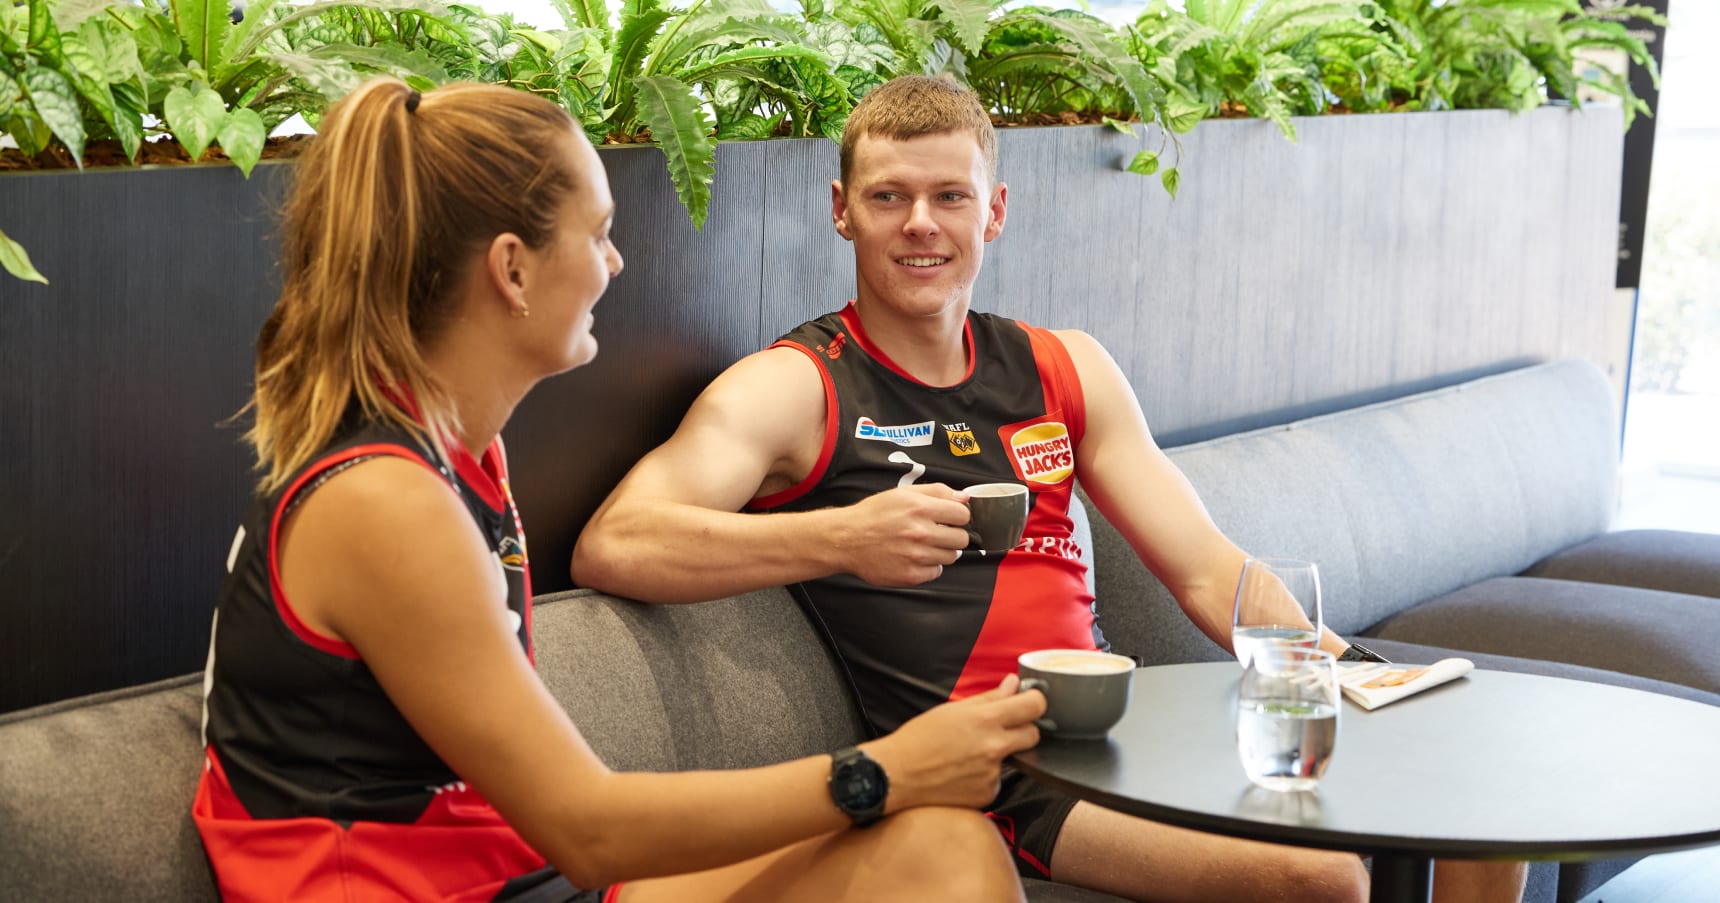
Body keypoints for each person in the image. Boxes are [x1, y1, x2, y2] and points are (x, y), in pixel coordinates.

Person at [571, 75, 1527, 903]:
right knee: (1322, 877)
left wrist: (1354, 669)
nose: (919, 224)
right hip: (997, 770)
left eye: (950, 196)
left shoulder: (1065, 365)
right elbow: (618, 542)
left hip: (1120, 729)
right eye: (889, 196)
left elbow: (1205, 570)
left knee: (1478, 798)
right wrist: (841, 536)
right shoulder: (796, 385)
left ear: (993, 211)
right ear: (840, 208)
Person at [191, 76, 1048, 903]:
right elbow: (589, 828)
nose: (615, 260)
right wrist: (889, 769)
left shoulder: (458, 458)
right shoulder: (382, 501)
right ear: (513, 271)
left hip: (520, 880)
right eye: (597, 231)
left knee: (948, 849)